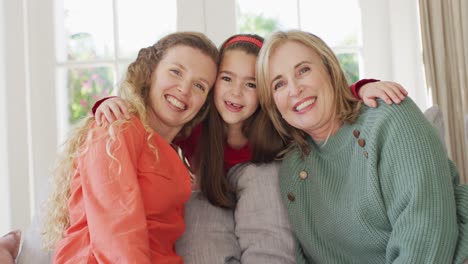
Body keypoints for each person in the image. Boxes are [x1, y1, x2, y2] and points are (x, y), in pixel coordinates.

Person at [93, 33, 408, 263]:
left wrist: (364, 87)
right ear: (213, 84)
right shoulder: (196, 127)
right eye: (227, 79)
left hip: (259, 199)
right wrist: (109, 102)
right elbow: (149, 125)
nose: (236, 93)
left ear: (266, 92)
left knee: (262, 173)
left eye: (251, 84)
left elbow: (323, 105)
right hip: (212, 196)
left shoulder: (277, 126)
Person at [256, 29, 468, 263]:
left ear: (329, 69)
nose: (294, 90)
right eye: (279, 84)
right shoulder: (292, 168)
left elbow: (427, 235)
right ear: (272, 103)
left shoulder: (389, 116)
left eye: (303, 70)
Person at [41, 31, 219, 263]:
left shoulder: (177, 156)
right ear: (150, 73)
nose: (184, 89)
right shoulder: (117, 128)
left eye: (199, 86)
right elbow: (116, 234)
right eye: (176, 72)